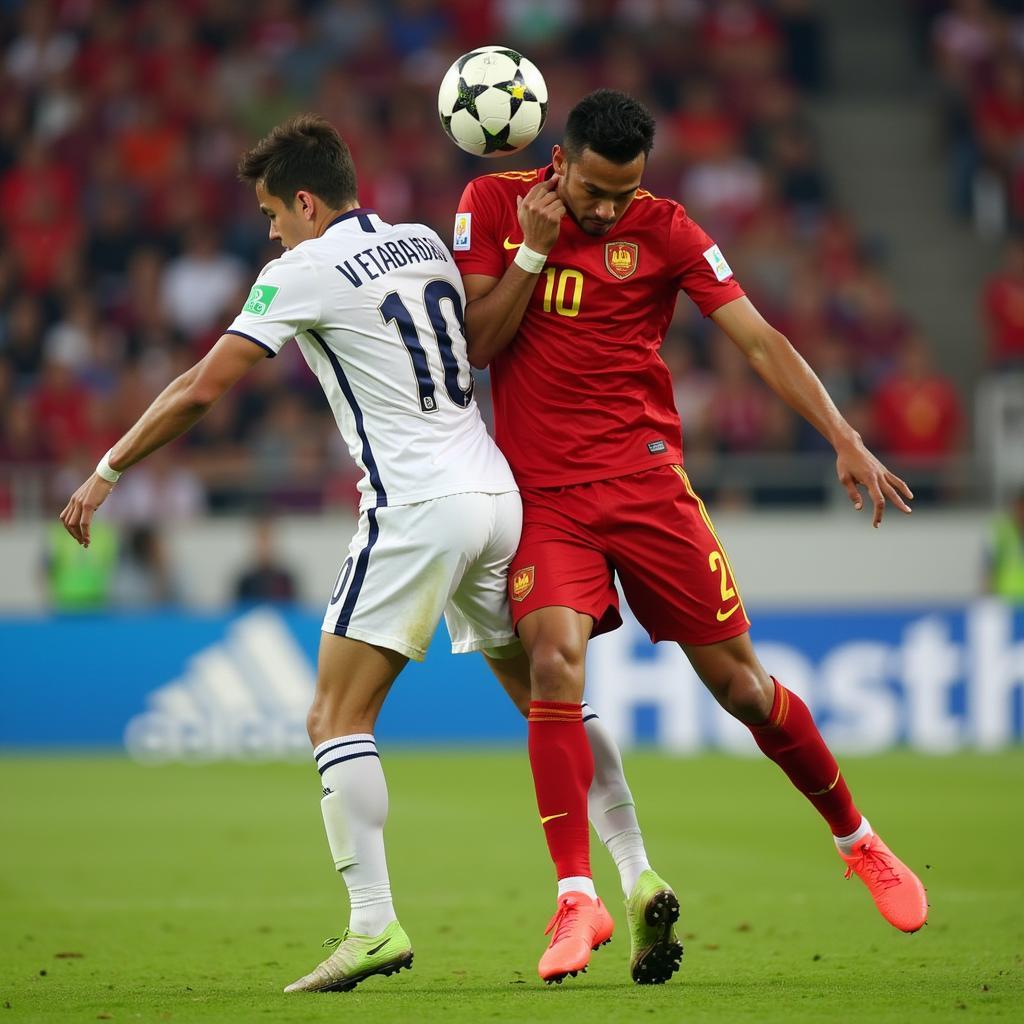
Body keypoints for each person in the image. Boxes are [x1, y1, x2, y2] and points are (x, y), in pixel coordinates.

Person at [58, 113, 666, 994]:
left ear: (305, 203)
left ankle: (372, 927)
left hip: (416, 508)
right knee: (550, 702)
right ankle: (635, 869)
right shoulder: (420, 240)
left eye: (273, 211)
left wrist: (108, 469)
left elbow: (203, 388)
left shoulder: (298, 271)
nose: (270, 230)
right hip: (497, 495)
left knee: (334, 719)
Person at [453, 89, 929, 984]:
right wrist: (534, 247)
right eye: (594, 189)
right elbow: (479, 343)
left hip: (645, 487)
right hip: (545, 494)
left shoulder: (667, 230)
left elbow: (759, 339)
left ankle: (858, 840)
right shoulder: (493, 206)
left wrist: (844, 436)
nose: (606, 208)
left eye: (622, 191)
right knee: (554, 662)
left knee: (744, 690)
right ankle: (575, 896)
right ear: (559, 161)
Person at [986, 488, 1024, 602]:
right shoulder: (1001, 532)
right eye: (1020, 508)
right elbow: (988, 567)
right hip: (1006, 600)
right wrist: (988, 598)